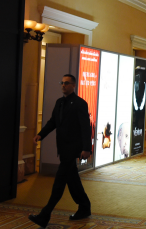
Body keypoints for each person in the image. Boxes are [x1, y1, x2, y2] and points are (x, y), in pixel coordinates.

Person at [29, 74, 93, 227]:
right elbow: (53, 122)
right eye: (62, 83)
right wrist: (40, 134)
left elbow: (85, 127)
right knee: (73, 181)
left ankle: (45, 215)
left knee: (59, 183)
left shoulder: (80, 103)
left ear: (73, 85)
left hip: (73, 149)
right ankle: (84, 207)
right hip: (63, 149)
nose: (63, 85)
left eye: (66, 83)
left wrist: (86, 148)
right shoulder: (59, 103)